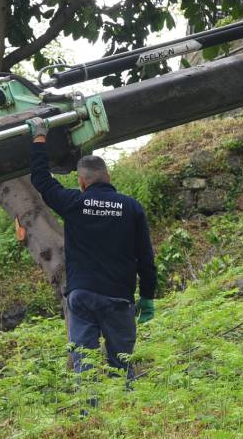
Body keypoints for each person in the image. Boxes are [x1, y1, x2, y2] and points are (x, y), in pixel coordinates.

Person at [26, 117, 158, 383]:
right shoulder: (131, 207)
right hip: (119, 299)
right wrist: (147, 296)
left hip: (82, 295)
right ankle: (124, 416)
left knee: (84, 365)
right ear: (108, 177)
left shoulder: (74, 202)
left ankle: (90, 417)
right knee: (122, 366)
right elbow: (146, 257)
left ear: (82, 182)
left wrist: (40, 137)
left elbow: (40, 178)